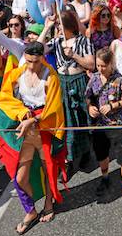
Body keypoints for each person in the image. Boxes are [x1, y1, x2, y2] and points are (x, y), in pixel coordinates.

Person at [0, 41, 66, 234]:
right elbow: (3, 98)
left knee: (48, 169)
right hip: (26, 130)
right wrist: (21, 114)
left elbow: (53, 109)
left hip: (43, 130)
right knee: (19, 178)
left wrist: (32, 119)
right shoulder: (17, 74)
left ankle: (49, 203)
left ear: (42, 58)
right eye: (27, 61)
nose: (31, 66)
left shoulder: (51, 77)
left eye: (35, 61)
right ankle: (31, 210)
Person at [85, 48, 122, 212]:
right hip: (100, 126)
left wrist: (112, 106)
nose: (99, 69)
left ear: (110, 64)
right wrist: (90, 107)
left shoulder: (120, 80)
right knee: (101, 155)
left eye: (103, 66)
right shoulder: (93, 78)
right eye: (98, 65)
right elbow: (88, 97)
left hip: (117, 125)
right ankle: (105, 177)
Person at [40, 10, 95, 166]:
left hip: (79, 81)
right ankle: (68, 158)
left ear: (68, 26)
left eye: (59, 24)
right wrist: (46, 28)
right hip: (62, 82)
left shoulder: (84, 41)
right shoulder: (57, 42)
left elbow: (91, 64)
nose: (58, 27)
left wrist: (75, 56)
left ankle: (86, 152)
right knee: (65, 120)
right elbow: (37, 49)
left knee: (82, 118)